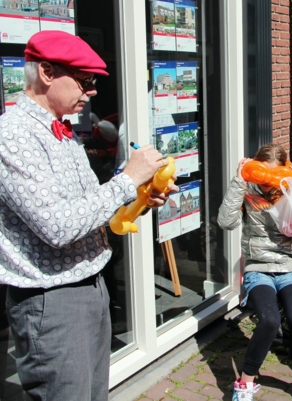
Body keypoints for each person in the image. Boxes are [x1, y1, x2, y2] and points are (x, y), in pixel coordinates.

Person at [0, 30, 177, 401]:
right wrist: (127, 180)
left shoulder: (62, 132)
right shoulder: (13, 135)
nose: (93, 91)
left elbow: (91, 210)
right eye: (85, 81)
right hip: (53, 299)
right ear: (47, 72)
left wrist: (141, 197)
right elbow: (58, 226)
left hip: (89, 286)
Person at [217, 143, 292, 401]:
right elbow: (226, 222)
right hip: (258, 267)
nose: (267, 182)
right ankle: (245, 383)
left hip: (288, 265)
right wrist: (239, 181)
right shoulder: (248, 189)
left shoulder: (290, 188)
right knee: (269, 320)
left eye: (272, 175)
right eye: (262, 173)